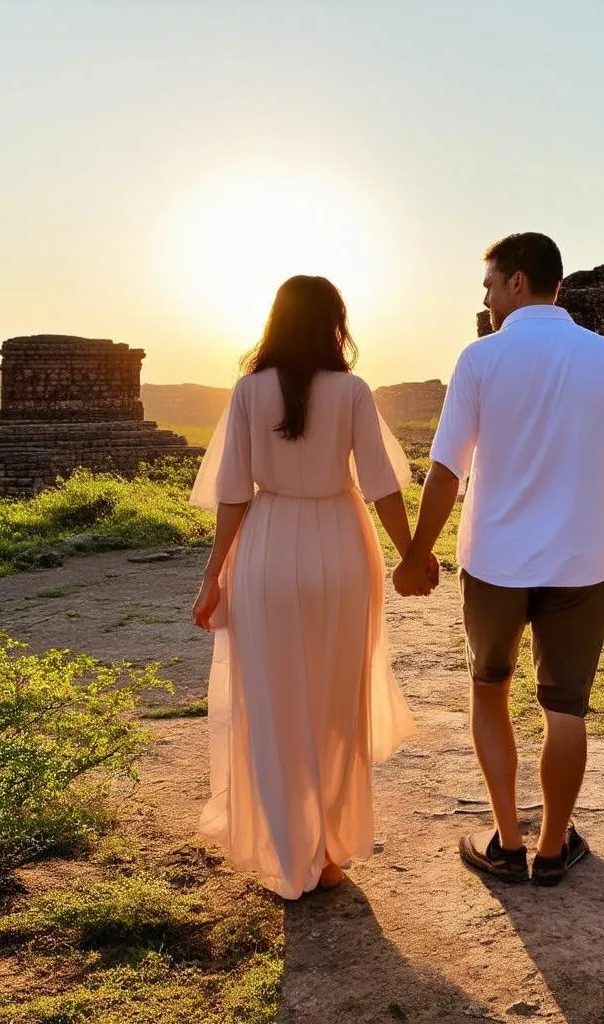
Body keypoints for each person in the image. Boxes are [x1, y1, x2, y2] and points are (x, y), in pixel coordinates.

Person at [394, 233, 604, 886]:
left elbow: (446, 471)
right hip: (582, 561)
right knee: (566, 709)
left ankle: (507, 840)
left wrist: (417, 554)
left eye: (489, 283)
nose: (485, 296)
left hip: (496, 560)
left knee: (490, 689)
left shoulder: (482, 360)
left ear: (518, 282)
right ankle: (555, 848)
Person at [189, 275, 427, 899]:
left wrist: (213, 575)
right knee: (334, 703)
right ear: (334, 325)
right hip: (342, 549)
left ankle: (289, 851)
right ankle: (325, 851)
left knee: (272, 702)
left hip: (268, 548)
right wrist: (412, 555)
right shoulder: (351, 392)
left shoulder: (247, 392)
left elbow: (233, 493)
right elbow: (380, 485)